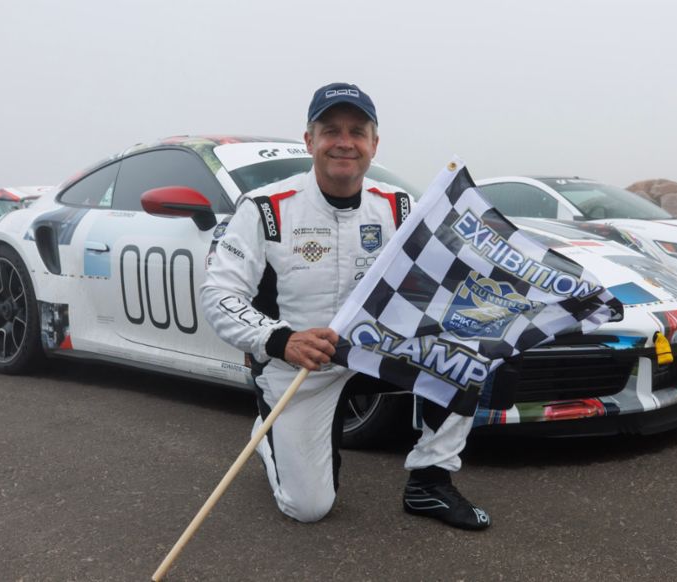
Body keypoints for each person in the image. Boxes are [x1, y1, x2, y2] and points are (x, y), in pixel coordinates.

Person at [201, 82, 491, 530]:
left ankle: (430, 484)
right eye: (330, 129)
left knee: (466, 349)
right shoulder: (265, 209)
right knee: (309, 508)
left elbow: (441, 281)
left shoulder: (398, 206)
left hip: (375, 352)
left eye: (357, 131)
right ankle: (267, 437)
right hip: (301, 365)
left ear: (374, 144)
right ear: (309, 140)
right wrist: (280, 340)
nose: (344, 141)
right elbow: (220, 296)